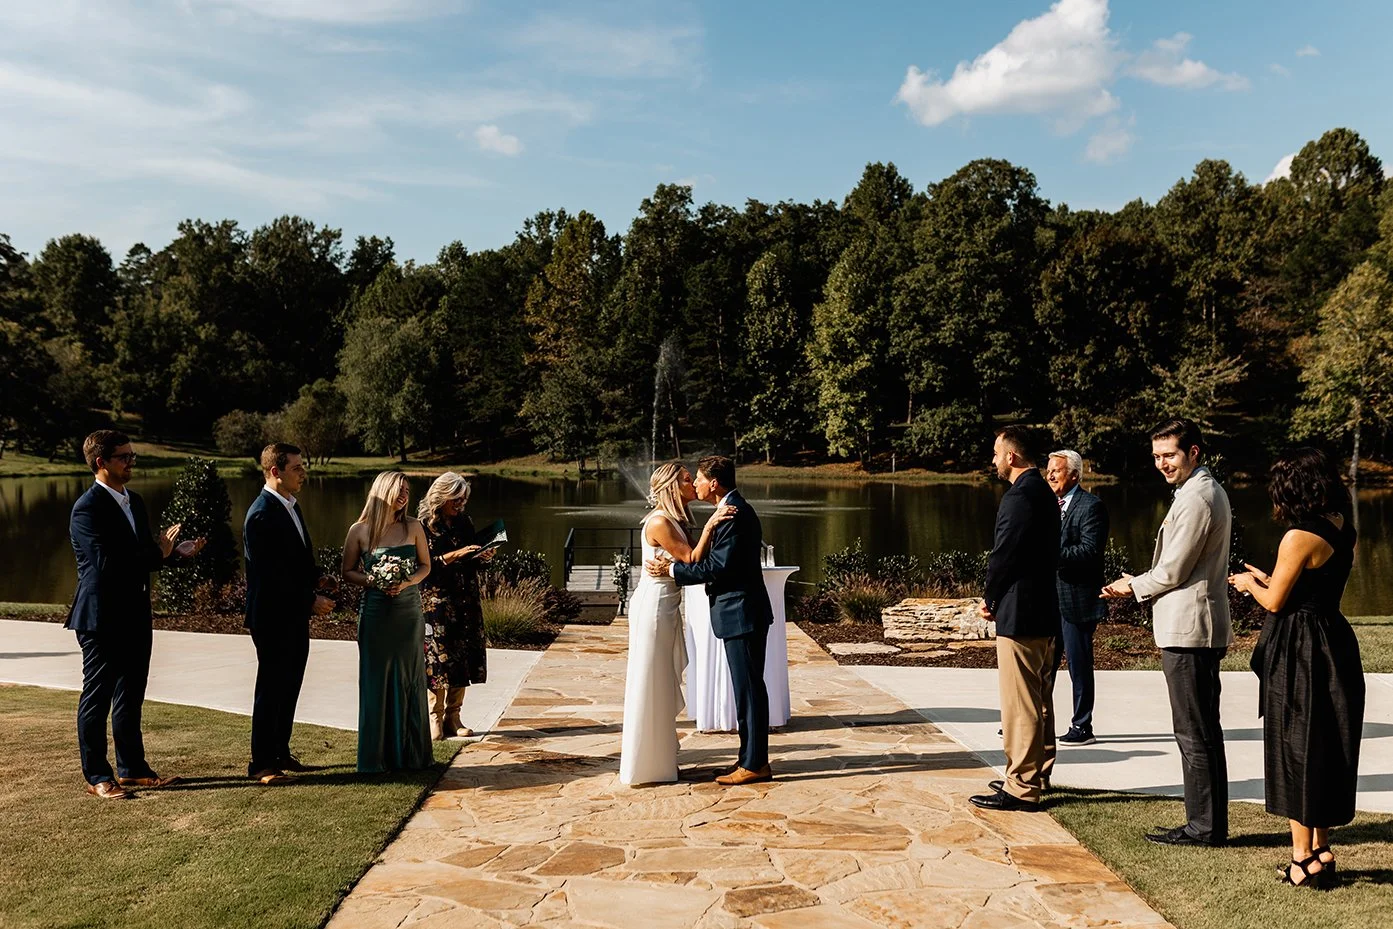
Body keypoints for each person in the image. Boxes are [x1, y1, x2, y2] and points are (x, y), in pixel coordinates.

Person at [1229, 448, 1363, 888]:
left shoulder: (1297, 536)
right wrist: (1270, 580)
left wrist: (1250, 584)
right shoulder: (1342, 526)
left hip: (1301, 648)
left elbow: (1274, 603)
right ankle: (1322, 849)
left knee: (1296, 744)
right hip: (1333, 640)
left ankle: (1302, 859)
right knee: (1322, 743)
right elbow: (1314, 587)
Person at [1104, 417, 1232, 847]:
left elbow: (1174, 570)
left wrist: (1132, 586)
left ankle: (1204, 828)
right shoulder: (1197, 491)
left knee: (1194, 733)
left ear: (1193, 452)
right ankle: (1205, 824)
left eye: (1170, 455)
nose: (1162, 463)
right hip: (1190, 628)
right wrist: (1139, 580)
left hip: (1190, 631)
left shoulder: (1199, 497)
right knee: (1200, 731)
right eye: (1157, 456)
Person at [66, 429, 204, 800]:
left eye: (132, 456)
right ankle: (98, 776)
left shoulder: (135, 501)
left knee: (130, 695)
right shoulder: (87, 509)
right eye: (124, 457)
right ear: (101, 463)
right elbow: (107, 564)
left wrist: (175, 555)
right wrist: (158, 553)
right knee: (97, 698)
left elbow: (144, 557)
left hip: (136, 614)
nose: (131, 462)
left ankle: (133, 770)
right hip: (101, 618)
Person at [646, 455, 774, 786]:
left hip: (742, 612)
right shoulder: (730, 510)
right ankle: (749, 758)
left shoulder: (733, 514)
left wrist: (672, 570)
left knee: (749, 691)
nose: (696, 484)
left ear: (713, 483)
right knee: (747, 689)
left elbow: (716, 568)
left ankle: (755, 764)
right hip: (741, 612)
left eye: (699, 479)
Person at [620, 463, 734, 785]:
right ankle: (645, 765)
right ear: (673, 486)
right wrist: (711, 524)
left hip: (667, 606)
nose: (693, 483)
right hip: (654, 608)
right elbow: (690, 559)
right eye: (687, 479)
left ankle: (660, 759)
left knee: (659, 680)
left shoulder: (674, 521)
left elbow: (697, 558)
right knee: (651, 679)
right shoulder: (659, 522)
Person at [971, 425, 1060, 813]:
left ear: (1012, 456)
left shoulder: (1019, 496)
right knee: (1039, 700)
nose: (993, 460)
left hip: (1021, 613)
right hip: (1044, 610)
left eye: (996, 453)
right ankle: (1037, 775)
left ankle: (1021, 787)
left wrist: (990, 597)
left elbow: (1004, 554)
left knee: (1020, 704)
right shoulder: (1043, 492)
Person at [244, 443, 335, 785]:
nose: (303, 473)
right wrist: (310, 601)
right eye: (296, 467)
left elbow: (295, 562)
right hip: (272, 616)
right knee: (271, 689)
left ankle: (280, 753)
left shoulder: (290, 506)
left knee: (289, 686)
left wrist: (318, 578)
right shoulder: (261, 514)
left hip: (291, 615)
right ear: (275, 471)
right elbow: (270, 576)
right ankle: (262, 764)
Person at [343, 471, 433, 773]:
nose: (405, 496)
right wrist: (374, 580)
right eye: (399, 490)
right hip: (376, 614)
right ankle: (375, 759)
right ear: (382, 491)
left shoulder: (414, 526)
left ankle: (412, 756)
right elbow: (347, 572)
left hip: (408, 614)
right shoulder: (359, 530)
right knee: (376, 681)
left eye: (407, 490)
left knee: (410, 678)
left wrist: (406, 582)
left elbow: (425, 566)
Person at [417, 472, 493, 741]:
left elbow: (471, 559)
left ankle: (454, 717)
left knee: (462, 657)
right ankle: (434, 717)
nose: (461, 504)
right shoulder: (422, 525)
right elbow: (422, 565)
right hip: (435, 600)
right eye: (456, 499)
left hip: (465, 597)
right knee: (437, 659)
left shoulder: (464, 522)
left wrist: (483, 556)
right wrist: (455, 555)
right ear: (442, 496)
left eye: (464, 499)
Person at [1046, 449, 1110, 745]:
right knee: (1042, 666)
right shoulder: (1045, 504)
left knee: (1078, 665)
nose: (1050, 475)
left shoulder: (1091, 506)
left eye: (1056, 470)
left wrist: (1050, 554)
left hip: (1076, 599)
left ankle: (1082, 726)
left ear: (1074, 475)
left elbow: (1089, 551)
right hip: (1046, 599)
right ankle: (1031, 720)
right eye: (1048, 470)